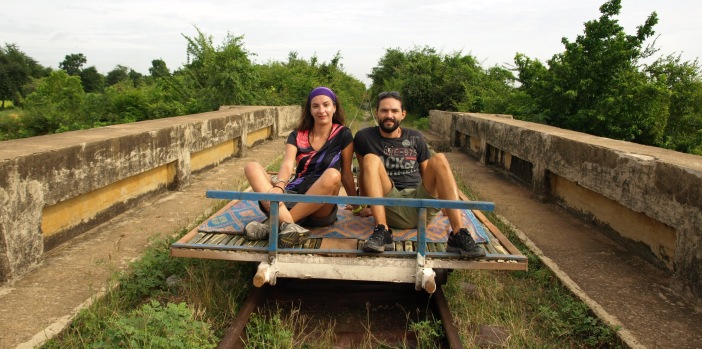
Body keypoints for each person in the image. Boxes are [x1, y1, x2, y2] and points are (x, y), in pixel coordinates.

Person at [353, 91, 485, 258]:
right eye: (384, 111)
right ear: (377, 112)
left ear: (403, 114)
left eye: (394, 111)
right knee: (370, 159)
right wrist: (365, 204)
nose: (389, 115)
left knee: (439, 159)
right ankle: (382, 230)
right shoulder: (364, 137)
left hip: (420, 203)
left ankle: (458, 233)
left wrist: (447, 204)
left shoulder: (415, 137)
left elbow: (429, 172)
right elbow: (365, 172)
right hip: (389, 203)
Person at [243, 86, 358, 246]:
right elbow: (287, 164)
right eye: (315, 106)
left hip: (321, 205)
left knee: (333, 175)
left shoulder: (343, 134)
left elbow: (346, 174)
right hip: (292, 196)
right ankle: (289, 226)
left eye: (326, 105)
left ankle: (272, 226)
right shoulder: (297, 135)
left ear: (334, 107)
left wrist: (358, 206)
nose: (321, 110)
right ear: (310, 110)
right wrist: (280, 186)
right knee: (252, 167)